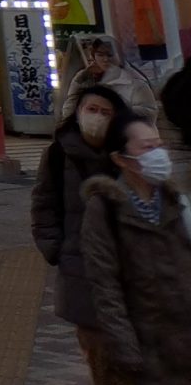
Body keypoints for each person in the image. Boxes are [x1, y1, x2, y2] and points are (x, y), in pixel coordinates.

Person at [78, 112, 191, 385]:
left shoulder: (176, 202)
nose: (158, 154)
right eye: (146, 147)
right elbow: (105, 286)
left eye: (159, 144)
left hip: (182, 354)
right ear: (120, 159)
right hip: (140, 361)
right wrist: (127, 351)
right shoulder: (105, 211)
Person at [36, 81, 131, 342]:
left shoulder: (125, 154)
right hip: (78, 261)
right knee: (93, 341)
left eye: (105, 112)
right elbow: (44, 204)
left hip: (124, 261)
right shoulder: (58, 154)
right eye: (92, 109)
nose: (97, 117)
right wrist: (56, 249)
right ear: (78, 112)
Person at [60, 34, 162, 127]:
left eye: (110, 55)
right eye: (100, 55)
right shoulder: (88, 80)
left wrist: (114, 111)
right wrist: (78, 83)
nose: (105, 59)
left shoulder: (134, 80)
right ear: (94, 57)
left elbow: (149, 114)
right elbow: (68, 113)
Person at [128, 0, 169, 66]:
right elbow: (148, 10)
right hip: (150, 37)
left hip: (155, 35)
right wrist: (156, 33)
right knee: (158, 67)